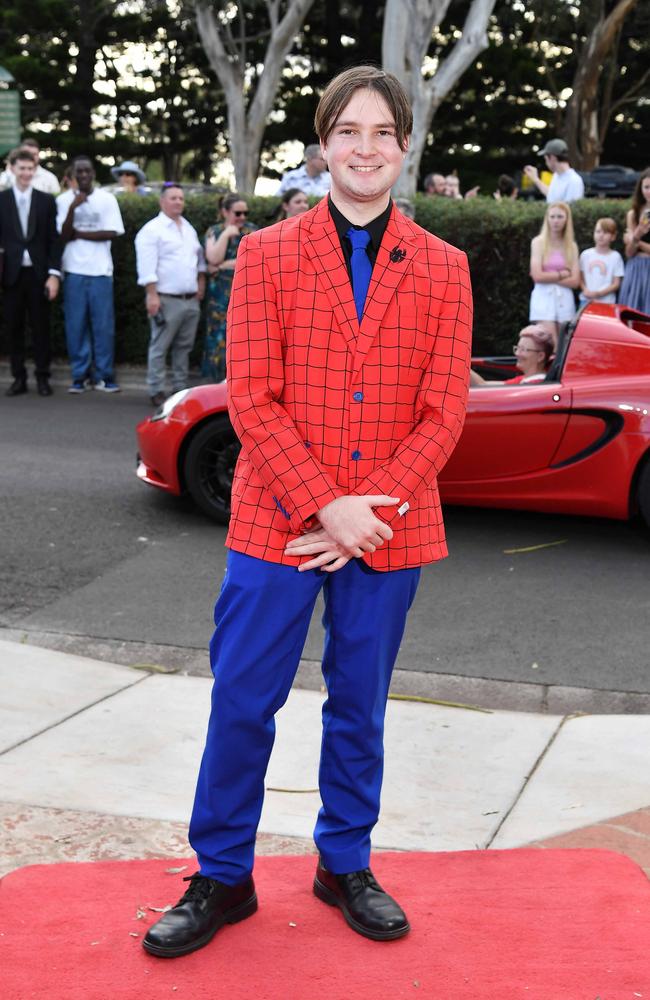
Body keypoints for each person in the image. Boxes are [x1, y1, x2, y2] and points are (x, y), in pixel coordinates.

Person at [143, 64, 472, 959]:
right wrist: (328, 506)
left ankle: (345, 863)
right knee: (244, 702)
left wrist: (368, 515)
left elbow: (446, 410)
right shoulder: (269, 253)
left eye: (382, 133)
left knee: (358, 706)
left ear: (404, 146)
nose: (365, 148)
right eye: (348, 131)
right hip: (273, 521)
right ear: (324, 143)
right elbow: (251, 396)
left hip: (389, 528)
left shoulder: (446, 269)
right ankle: (220, 875)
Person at [56, 156, 124, 393]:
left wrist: (80, 234)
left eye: (87, 171)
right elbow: (63, 236)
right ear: (73, 175)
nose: (83, 175)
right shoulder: (64, 201)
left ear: (93, 173)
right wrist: (74, 207)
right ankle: (80, 376)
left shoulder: (107, 199)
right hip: (74, 270)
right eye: (79, 172)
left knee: (103, 326)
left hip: (100, 271)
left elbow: (111, 232)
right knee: (76, 325)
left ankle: (105, 376)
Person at [134, 183, 206, 406]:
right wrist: (152, 295)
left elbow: (199, 260)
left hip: (190, 299)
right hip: (165, 298)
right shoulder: (152, 230)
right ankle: (156, 389)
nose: (178, 202)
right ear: (162, 201)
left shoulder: (188, 228)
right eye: (173, 198)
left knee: (184, 347)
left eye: (181, 198)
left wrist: (200, 284)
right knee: (160, 347)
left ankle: (179, 389)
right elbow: (147, 267)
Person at [0, 148, 61, 397]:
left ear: (35, 170)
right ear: (12, 169)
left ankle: (43, 377)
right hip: (11, 275)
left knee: (41, 328)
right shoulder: (1, 200)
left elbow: (53, 241)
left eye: (30, 169)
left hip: (39, 274)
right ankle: (18, 378)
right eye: (21, 168)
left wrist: (54, 274)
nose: (26, 173)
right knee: (13, 327)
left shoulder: (46, 201)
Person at [201, 193, 255, 383]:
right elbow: (213, 258)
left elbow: (253, 258)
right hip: (219, 297)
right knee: (217, 336)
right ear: (225, 212)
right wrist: (225, 235)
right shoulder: (214, 231)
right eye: (237, 213)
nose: (242, 217)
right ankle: (215, 382)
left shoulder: (252, 231)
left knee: (241, 337)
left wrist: (223, 265)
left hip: (245, 293)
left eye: (245, 213)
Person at [529, 201, 579, 346]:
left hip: (564, 298)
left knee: (565, 344)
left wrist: (549, 276)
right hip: (543, 297)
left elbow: (575, 281)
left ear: (566, 219)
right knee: (550, 343)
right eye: (552, 216)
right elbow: (537, 275)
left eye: (560, 217)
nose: (556, 221)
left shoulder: (572, 246)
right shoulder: (538, 242)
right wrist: (562, 274)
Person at [470, 325, 553, 385]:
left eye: (523, 350)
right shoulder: (524, 380)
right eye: (517, 348)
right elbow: (483, 385)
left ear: (540, 356)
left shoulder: (535, 385)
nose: (517, 353)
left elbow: (482, 385)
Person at [619, 168, 650, 315]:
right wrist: (637, 235)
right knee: (633, 315)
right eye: (646, 187)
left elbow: (634, 245)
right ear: (641, 188)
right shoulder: (633, 214)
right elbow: (629, 253)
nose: (649, 191)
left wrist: (636, 240)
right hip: (636, 270)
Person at [579, 218, 625, 308]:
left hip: (607, 303)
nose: (601, 235)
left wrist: (599, 293)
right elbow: (580, 277)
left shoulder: (616, 257)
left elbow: (616, 284)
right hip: (586, 301)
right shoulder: (585, 254)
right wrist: (585, 290)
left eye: (605, 232)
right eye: (598, 231)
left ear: (613, 236)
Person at [523, 138, 584, 204]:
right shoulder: (557, 175)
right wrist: (535, 179)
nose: (546, 163)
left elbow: (568, 211)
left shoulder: (574, 181)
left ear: (552, 158)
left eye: (545, 159)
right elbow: (552, 196)